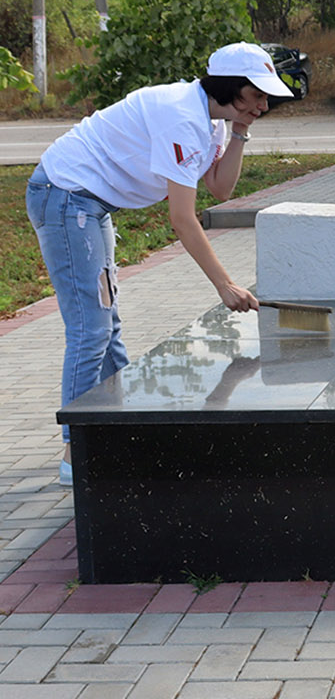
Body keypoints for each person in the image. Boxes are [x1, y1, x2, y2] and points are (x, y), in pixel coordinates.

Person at [26, 42, 291, 486]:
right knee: (90, 329)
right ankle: (78, 453)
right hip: (66, 197)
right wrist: (224, 285)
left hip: (90, 205)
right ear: (229, 86)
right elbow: (182, 218)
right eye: (257, 94)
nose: (264, 105)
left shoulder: (212, 121)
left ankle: (118, 430)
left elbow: (221, 188)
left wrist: (241, 130)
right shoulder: (182, 117)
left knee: (107, 326)